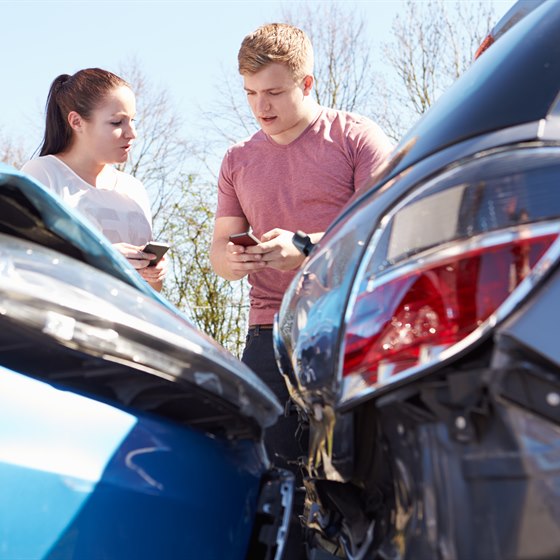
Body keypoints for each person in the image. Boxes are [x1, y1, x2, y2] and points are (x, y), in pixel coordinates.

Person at [210, 22, 393, 557]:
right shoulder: (236, 160)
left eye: (272, 92)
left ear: (307, 83)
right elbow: (220, 257)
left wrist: (309, 249)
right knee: (271, 486)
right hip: (268, 335)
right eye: (249, 93)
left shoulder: (357, 137)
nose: (259, 107)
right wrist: (237, 257)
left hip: (348, 329)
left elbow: (383, 235)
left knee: (358, 482)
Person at [21, 68, 166, 292]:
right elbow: (24, 264)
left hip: (129, 323)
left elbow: (152, 291)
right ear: (76, 121)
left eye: (133, 120)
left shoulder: (134, 189)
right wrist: (103, 259)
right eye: (117, 123)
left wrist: (155, 274)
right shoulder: (42, 174)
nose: (132, 133)